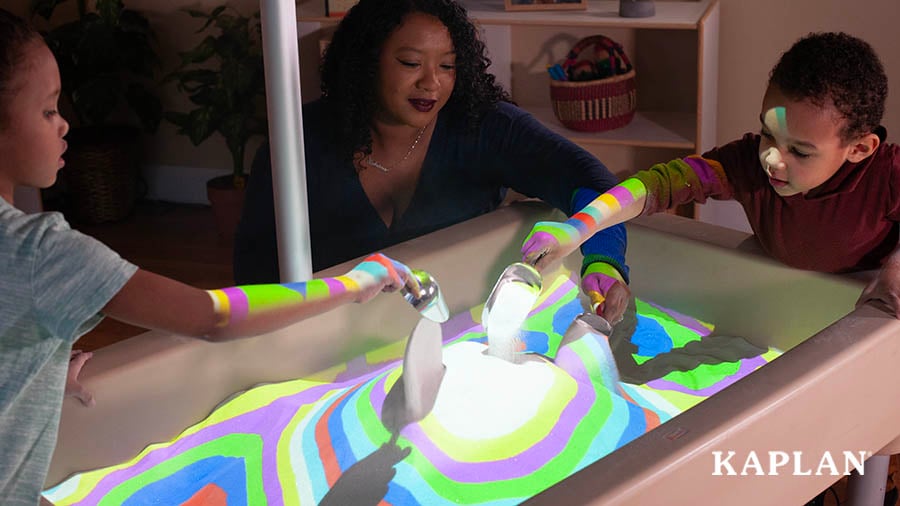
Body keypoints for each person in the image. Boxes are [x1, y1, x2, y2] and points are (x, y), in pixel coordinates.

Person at [0, 9, 419, 505]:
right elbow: (213, 317)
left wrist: (35, 368)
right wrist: (354, 283)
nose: (65, 123)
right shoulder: (42, 253)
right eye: (48, 110)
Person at [233, 0, 632, 321]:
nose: (431, 82)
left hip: (459, 325)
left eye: (447, 66)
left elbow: (595, 185)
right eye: (410, 63)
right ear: (366, 61)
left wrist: (603, 259)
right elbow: (256, 272)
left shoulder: (484, 125)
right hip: (337, 343)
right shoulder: (300, 143)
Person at [522, 32, 900, 317]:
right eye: (768, 133)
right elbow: (656, 185)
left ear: (859, 149)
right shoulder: (743, 164)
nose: (771, 158)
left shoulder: (887, 174)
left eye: (799, 151)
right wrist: (578, 229)